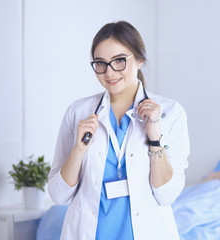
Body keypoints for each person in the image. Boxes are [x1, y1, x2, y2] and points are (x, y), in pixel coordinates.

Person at [48, 21, 189, 240]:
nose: (109, 72)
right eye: (100, 63)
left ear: (140, 60)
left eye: (119, 61)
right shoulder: (79, 112)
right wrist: (78, 149)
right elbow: (58, 194)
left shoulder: (170, 113)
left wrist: (154, 137)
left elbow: (166, 194)